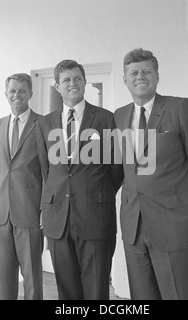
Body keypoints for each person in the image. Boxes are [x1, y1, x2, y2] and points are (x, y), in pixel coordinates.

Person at [114, 48, 188, 300]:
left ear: (157, 76)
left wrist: (184, 201)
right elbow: (122, 168)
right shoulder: (119, 116)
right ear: (125, 80)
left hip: (174, 224)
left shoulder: (180, 108)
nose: (140, 76)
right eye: (133, 73)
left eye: (147, 71)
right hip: (133, 226)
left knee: (180, 295)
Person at [36, 59, 124, 300]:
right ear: (57, 86)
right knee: (67, 289)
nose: (72, 84)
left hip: (95, 216)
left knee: (96, 289)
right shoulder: (44, 124)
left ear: (84, 81)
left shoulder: (106, 119)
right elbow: (47, 170)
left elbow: (116, 169)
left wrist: (96, 193)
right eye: (66, 80)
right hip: (58, 219)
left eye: (77, 78)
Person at [0, 73, 44, 300]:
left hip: (30, 210)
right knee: (3, 275)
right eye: (12, 91)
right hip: (0, 211)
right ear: (6, 94)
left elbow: (47, 171)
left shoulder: (43, 124)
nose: (17, 95)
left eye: (22, 91)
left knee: (32, 277)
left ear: (30, 94)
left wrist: (46, 207)